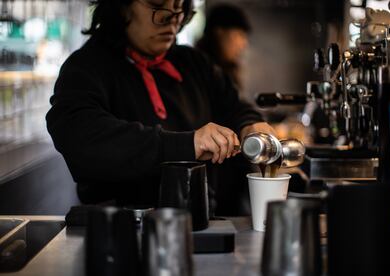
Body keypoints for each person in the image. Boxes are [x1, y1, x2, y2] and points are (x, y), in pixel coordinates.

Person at [46, 0, 276, 210]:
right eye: (158, 7)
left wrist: (251, 124)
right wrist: (187, 144)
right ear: (122, 7)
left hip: (199, 223)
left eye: (179, 9)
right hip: (119, 229)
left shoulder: (193, 63)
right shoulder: (87, 67)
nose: (172, 20)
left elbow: (236, 105)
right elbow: (81, 138)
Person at [196, 3, 251, 90]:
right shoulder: (197, 72)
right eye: (239, 35)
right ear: (219, 32)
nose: (244, 44)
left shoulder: (228, 73)